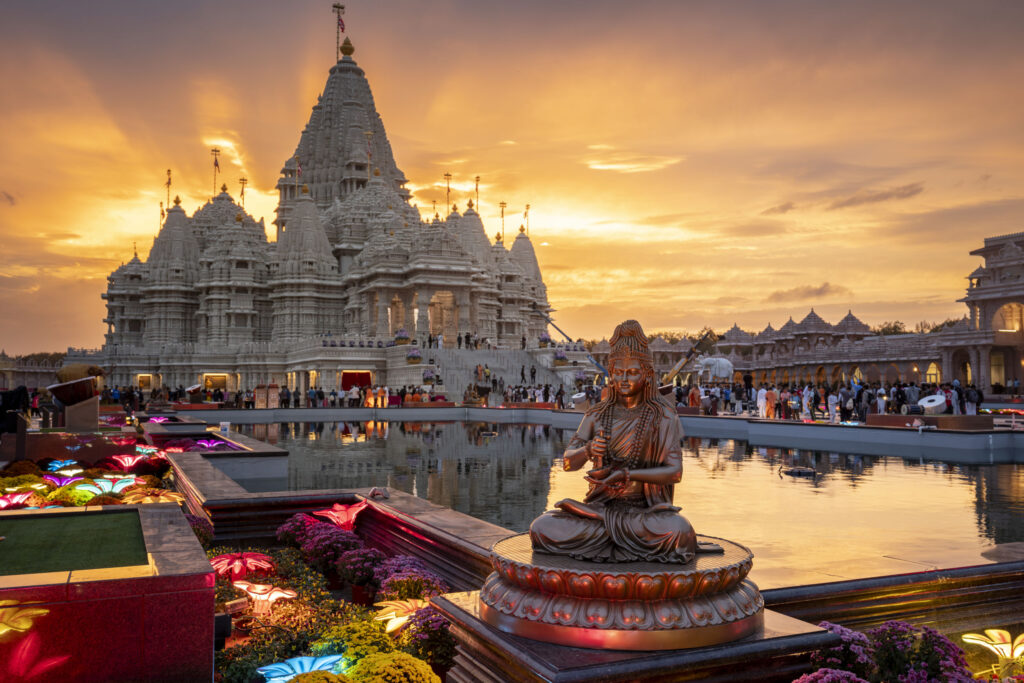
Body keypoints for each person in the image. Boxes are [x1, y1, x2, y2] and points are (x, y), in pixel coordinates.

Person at [529, 320, 701, 564]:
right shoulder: (596, 414)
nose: (623, 379)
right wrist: (587, 450)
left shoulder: (662, 416)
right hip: (600, 509)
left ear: (647, 374)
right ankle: (612, 535)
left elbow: (674, 473)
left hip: (644, 513)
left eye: (632, 373)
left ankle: (611, 536)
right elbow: (567, 463)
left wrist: (628, 475)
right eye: (618, 372)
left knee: (678, 531)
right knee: (542, 527)